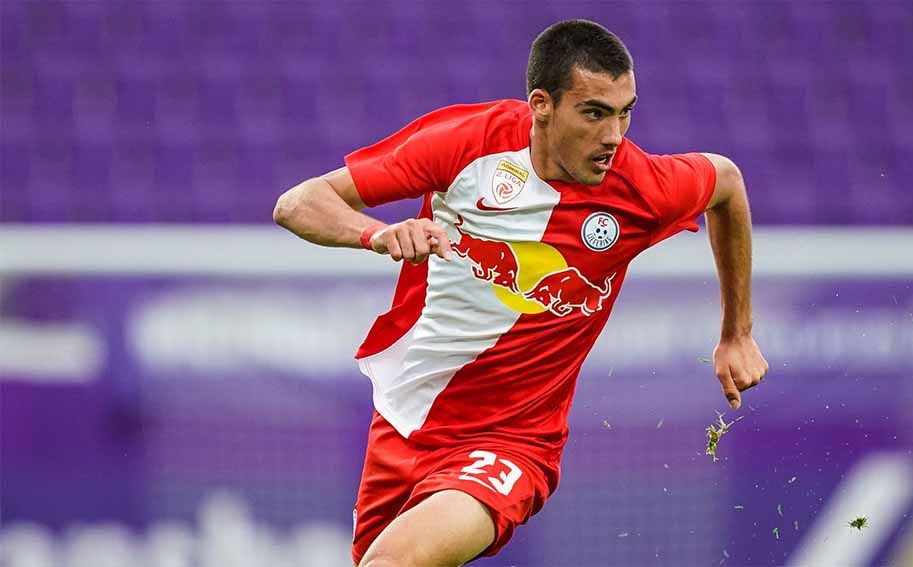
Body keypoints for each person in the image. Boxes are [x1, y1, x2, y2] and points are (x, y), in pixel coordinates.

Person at [273, 18, 768, 567]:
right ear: (542, 104)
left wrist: (737, 332)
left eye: (625, 111)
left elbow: (726, 182)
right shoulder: (467, 145)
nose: (614, 136)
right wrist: (378, 234)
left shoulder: (641, 187)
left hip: (512, 440)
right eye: (594, 113)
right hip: (405, 416)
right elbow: (297, 203)